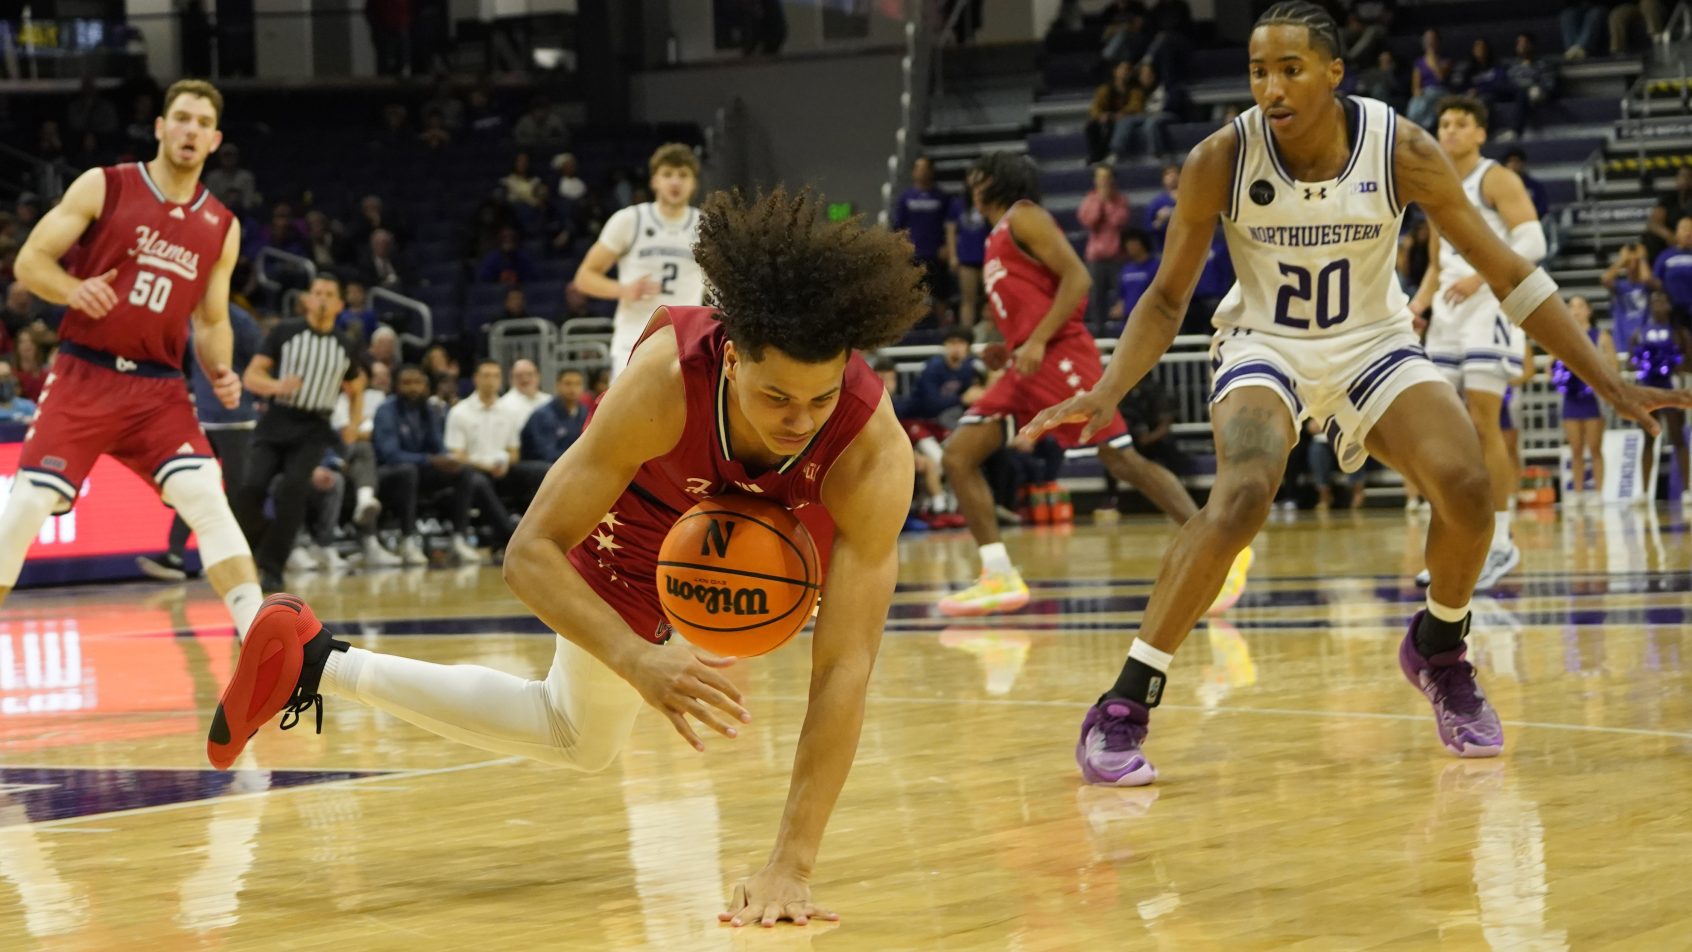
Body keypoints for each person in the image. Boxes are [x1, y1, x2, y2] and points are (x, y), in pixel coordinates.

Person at [207, 187, 927, 927]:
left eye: (819, 399)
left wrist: (789, 867)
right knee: (575, 736)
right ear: (735, 356)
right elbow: (527, 553)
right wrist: (634, 657)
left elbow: (845, 666)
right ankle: (314, 656)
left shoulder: (871, 451)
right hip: (637, 523)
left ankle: (314, 660)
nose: (799, 422)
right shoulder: (668, 381)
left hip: (755, 543)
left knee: (582, 739)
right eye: (777, 397)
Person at [1025, 2, 1691, 786]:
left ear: (1334, 73)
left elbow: (1508, 271)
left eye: (1290, 69)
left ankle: (1440, 648)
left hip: (1373, 344)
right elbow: (1169, 299)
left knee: (1470, 487)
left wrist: (1604, 378)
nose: (1271, 88)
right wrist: (1110, 389)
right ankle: (1125, 701)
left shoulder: (1401, 149)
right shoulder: (1221, 158)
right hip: (1265, 344)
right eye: (1258, 71)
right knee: (1242, 494)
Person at [0, 79, 265, 639]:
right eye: (182, 118)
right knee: (24, 508)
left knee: (207, 498)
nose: (190, 130)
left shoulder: (221, 225)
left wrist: (220, 369)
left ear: (214, 141)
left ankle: (263, 641)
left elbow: (212, 320)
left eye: (201, 123)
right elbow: (30, 262)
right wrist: (72, 289)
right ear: (161, 128)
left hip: (158, 390)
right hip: (84, 374)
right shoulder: (106, 185)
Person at [936, 153, 1250, 618]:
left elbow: (1078, 278)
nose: (970, 182)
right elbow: (1030, 301)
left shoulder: (1025, 215)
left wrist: (1039, 340)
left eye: (978, 175)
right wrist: (1011, 346)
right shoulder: (994, 237)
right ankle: (997, 574)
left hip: (1061, 353)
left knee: (1120, 457)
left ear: (997, 180)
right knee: (958, 455)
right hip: (1025, 365)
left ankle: (1222, 547)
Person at [1407, 96, 1539, 590]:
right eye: (1445, 123)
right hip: (1447, 313)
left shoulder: (1496, 178)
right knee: (1444, 433)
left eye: (1462, 124)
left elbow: (1533, 242)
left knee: (1486, 424)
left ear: (1481, 133)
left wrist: (1483, 279)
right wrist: (1415, 306)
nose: (1452, 131)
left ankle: (1500, 543)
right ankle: (1454, 546)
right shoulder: (1436, 184)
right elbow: (1438, 268)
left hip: (1489, 308)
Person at [234, 273, 367, 591]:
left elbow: (357, 386)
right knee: (251, 487)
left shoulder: (345, 344)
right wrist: (278, 386)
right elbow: (251, 377)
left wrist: (353, 422)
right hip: (278, 417)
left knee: (293, 491)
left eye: (328, 294)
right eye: (316, 292)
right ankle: (258, 546)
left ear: (339, 304)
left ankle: (272, 567)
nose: (321, 298)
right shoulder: (284, 331)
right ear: (306, 299)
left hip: (314, 427)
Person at [137, 303, 263, 582]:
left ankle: (236, 559)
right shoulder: (188, 317)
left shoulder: (239, 321)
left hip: (237, 420)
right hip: (203, 418)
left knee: (236, 493)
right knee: (193, 488)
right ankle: (174, 556)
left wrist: (256, 395)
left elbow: (262, 363)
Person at [574, 144, 703, 377]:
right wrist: (624, 290)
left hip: (687, 342)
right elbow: (584, 277)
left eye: (683, 175)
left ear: (694, 183)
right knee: (627, 413)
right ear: (654, 181)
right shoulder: (629, 220)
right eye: (668, 174)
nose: (675, 182)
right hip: (634, 339)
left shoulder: (707, 227)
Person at [443, 360, 522, 561]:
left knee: (541, 471)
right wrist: (484, 465)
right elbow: (455, 454)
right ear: (475, 379)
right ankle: (513, 538)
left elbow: (514, 451)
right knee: (476, 480)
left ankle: (549, 532)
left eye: (495, 376)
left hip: (501, 470)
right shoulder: (460, 411)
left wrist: (505, 462)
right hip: (471, 471)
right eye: (486, 375)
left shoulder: (510, 411)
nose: (491, 381)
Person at [1631, 290, 1691, 504]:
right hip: (1648, 387)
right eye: (1653, 300)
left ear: (1669, 306)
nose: (1657, 303)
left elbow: (1688, 361)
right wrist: (1648, 365)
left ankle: (1687, 490)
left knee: (1677, 438)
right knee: (1647, 438)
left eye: (1661, 300)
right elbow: (1632, 359)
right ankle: (1645, 492)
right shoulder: (1640, 332)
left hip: (1670, 387)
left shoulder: (1679, 332)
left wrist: (1670, 365)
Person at [1553, 296, 1614, 506]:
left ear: (1589, 311)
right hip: (1571, 398)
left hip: (1593, 398)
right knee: (1575, 448)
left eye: (1580, 306)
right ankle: (1577, 494)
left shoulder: (1601, 336)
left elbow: (1613, 367)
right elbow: (1550, 366)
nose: (1576, 310)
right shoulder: (1561, 336)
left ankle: (1599, 493)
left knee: (1595, 447)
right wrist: (1563, 374)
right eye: (1571, 306)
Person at [889, 156, 957, 324]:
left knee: (940, 295)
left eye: (925, 168)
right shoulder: (906, 197)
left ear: (931, 171)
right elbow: (898, 226)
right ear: (913, 172)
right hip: (913, 255)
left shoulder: (942, 197)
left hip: (936, 255)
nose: (922, 172)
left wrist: (947, 247)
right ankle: (907, 332)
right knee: (911, 296)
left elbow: (950, 226)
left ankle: (945, 331)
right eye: (918, 168)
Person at [1079, 164, 1132, 334]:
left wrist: (1108, 202)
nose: (1104, 181)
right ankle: (1099, 332)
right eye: (1100, 177)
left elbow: (1119, 221)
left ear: (1112, 179)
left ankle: (1125, 331)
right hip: (1096, 259)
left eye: (1107, 177)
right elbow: (1089, 221)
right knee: (1096, 299)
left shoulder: (1121, 200)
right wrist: (1100, 202)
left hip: (1117, 257)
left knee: (1123, 297)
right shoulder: (1089, 200)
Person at [1603, 241, 1652, 349]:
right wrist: (1622, 260)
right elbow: (1605, 279)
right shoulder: (1620, 285)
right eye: (1629, 262)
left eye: (1636, 261)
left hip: (1644, 337)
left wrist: (1642, 258)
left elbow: (1647, 279)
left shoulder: (1647, 285)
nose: (1633, 265)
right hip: (1622, 338)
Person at [497, 357, 551, 426]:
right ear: (511, 379)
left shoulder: (549, 401)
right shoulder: (503, 405)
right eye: (519, 376)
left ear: (538, 376)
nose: (525, 379)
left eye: (530, 374)